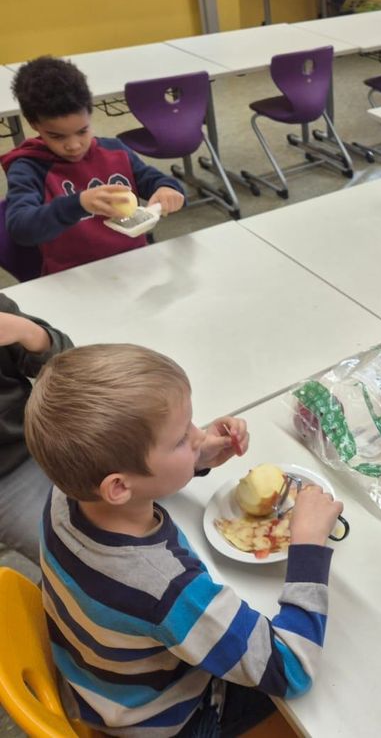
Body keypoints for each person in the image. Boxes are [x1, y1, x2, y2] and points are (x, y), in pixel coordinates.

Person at [25, 344, 344, 736]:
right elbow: (290, 668)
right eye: (180, 439)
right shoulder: (166, 587)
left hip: (98, 686)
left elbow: (132, 482)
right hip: (172, 720)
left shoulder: (65, 495)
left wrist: (197, 458)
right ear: (119, 486)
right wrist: (309, 546)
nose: (198, 435)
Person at [1, 56, 185, 275]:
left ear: (90, 114)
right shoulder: (29, 167)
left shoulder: (115, 151)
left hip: (134, 264)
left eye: (82, 131)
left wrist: (168, 189)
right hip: (72, 276)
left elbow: (153, 180)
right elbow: (21, 228)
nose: (74, 145)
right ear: (35, 125)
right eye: (56, 136)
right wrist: (79, 204)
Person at [0, 295, 71, 564]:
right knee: (73, 556)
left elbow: (67, 361)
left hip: (45, 433)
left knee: (152, 489)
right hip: (7, 476)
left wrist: (26, 332)